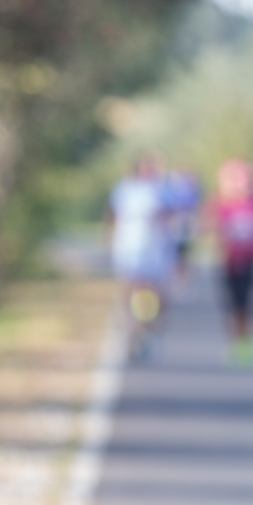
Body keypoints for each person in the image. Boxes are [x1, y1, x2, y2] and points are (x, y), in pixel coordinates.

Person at [107, 151, 176, 361]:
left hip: (156, 251)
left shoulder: (163, 190)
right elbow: (112, 215)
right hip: (129, 248)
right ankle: (130, 331)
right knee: (129, 290)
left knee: (156, 294)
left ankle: (151, 331)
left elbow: (173, 214)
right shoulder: (124, 188)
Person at [212, 158, 253, 364]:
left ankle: (246, 342)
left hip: (251, 260)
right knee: (233, 304)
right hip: (231, 260)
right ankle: (236, 341)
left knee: (249, 303)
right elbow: (217, 231)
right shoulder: (224, 205)